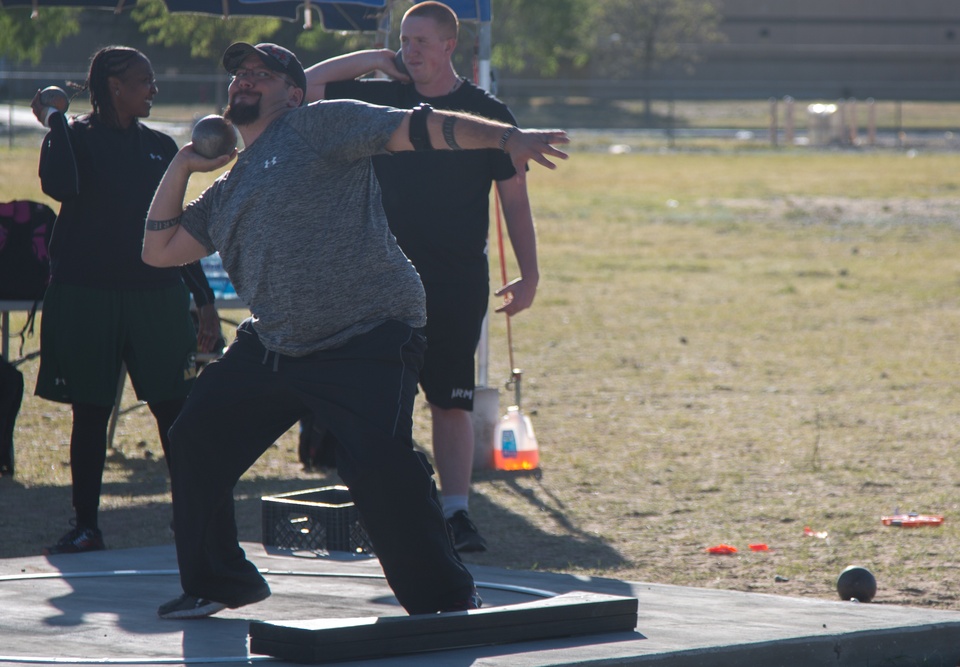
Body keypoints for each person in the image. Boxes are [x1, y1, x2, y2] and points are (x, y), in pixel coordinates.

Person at [142, 41, 567, 619]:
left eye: (261, 75)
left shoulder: (318, 124)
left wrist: (503, 137)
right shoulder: (228, 187)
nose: (245, 81)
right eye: (240, 75)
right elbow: (159, 249)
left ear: (292, 93)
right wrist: (184, 163)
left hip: (367, 333)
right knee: (194, 438)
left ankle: (444, 599)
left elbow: (421, 128)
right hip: (276, 343)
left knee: (377, 462)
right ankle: (219, 581)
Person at [304, 1, 537, 552]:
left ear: (451, 46)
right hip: (378, 276)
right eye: (405, 41)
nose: (411, 51)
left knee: (450, 400)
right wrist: (375, 59)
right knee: (380, 398)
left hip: (456, 279)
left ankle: (455, 514)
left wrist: (529, 274)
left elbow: (516, 200)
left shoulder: (486, 113)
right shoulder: (380, 99)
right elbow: (309, 85)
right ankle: (382, 507)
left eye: (421, 42)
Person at [30, 46, 222, 556]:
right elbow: (62, 185)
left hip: (155, 297)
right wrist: (58, 124)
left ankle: (193, 522)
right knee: (90, 412)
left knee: (175, 413)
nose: (154, 89)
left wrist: (203, 301)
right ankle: (87, 526)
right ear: (115, 85)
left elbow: (175, 229)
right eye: (145, 80)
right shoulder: (72, 139)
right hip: (85, 293)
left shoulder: (161, 147)